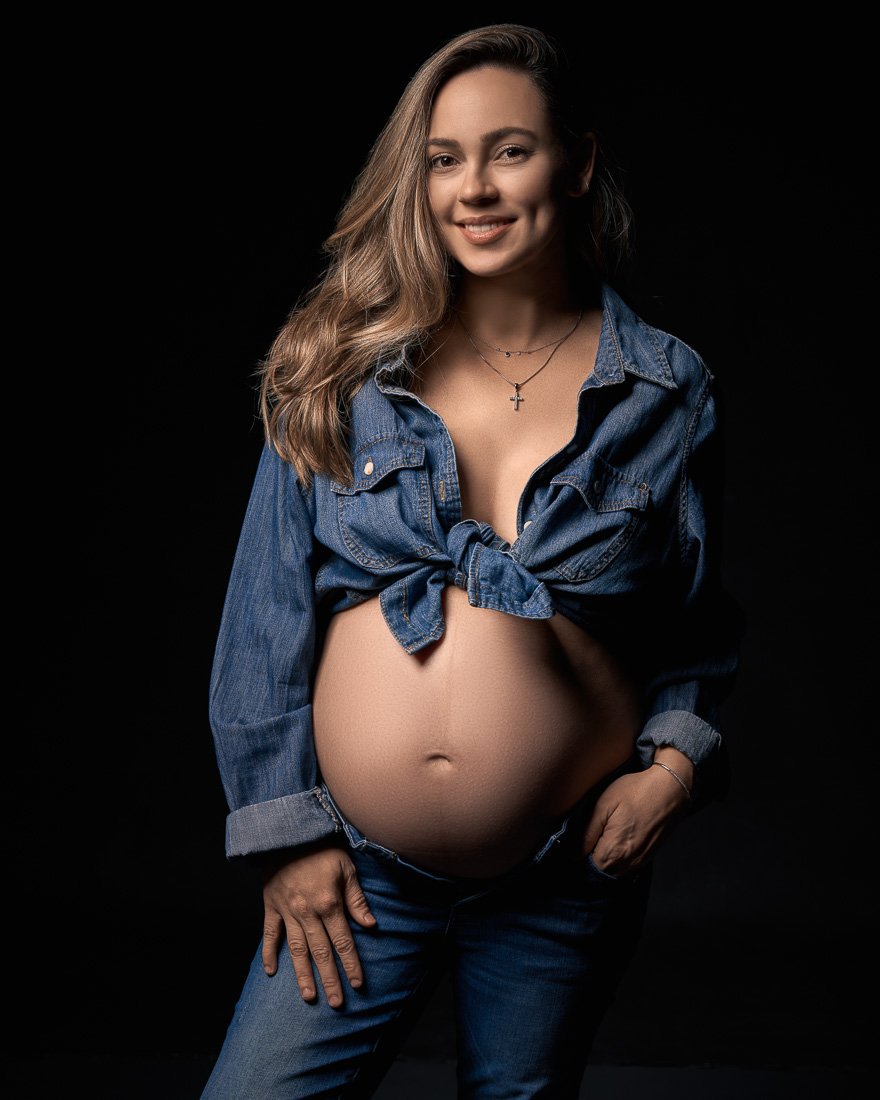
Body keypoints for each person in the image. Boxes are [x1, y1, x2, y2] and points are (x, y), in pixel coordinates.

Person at [200, 22, 742, 1099]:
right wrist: (285, 837)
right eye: (444, 159)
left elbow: (696, 629)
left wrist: (672, 769)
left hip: (562, 871)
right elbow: (261, 620)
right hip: (356, 870)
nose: (474, 189)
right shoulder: (341, 370)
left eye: (509, 150)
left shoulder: (667, 391)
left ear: (575, 163)